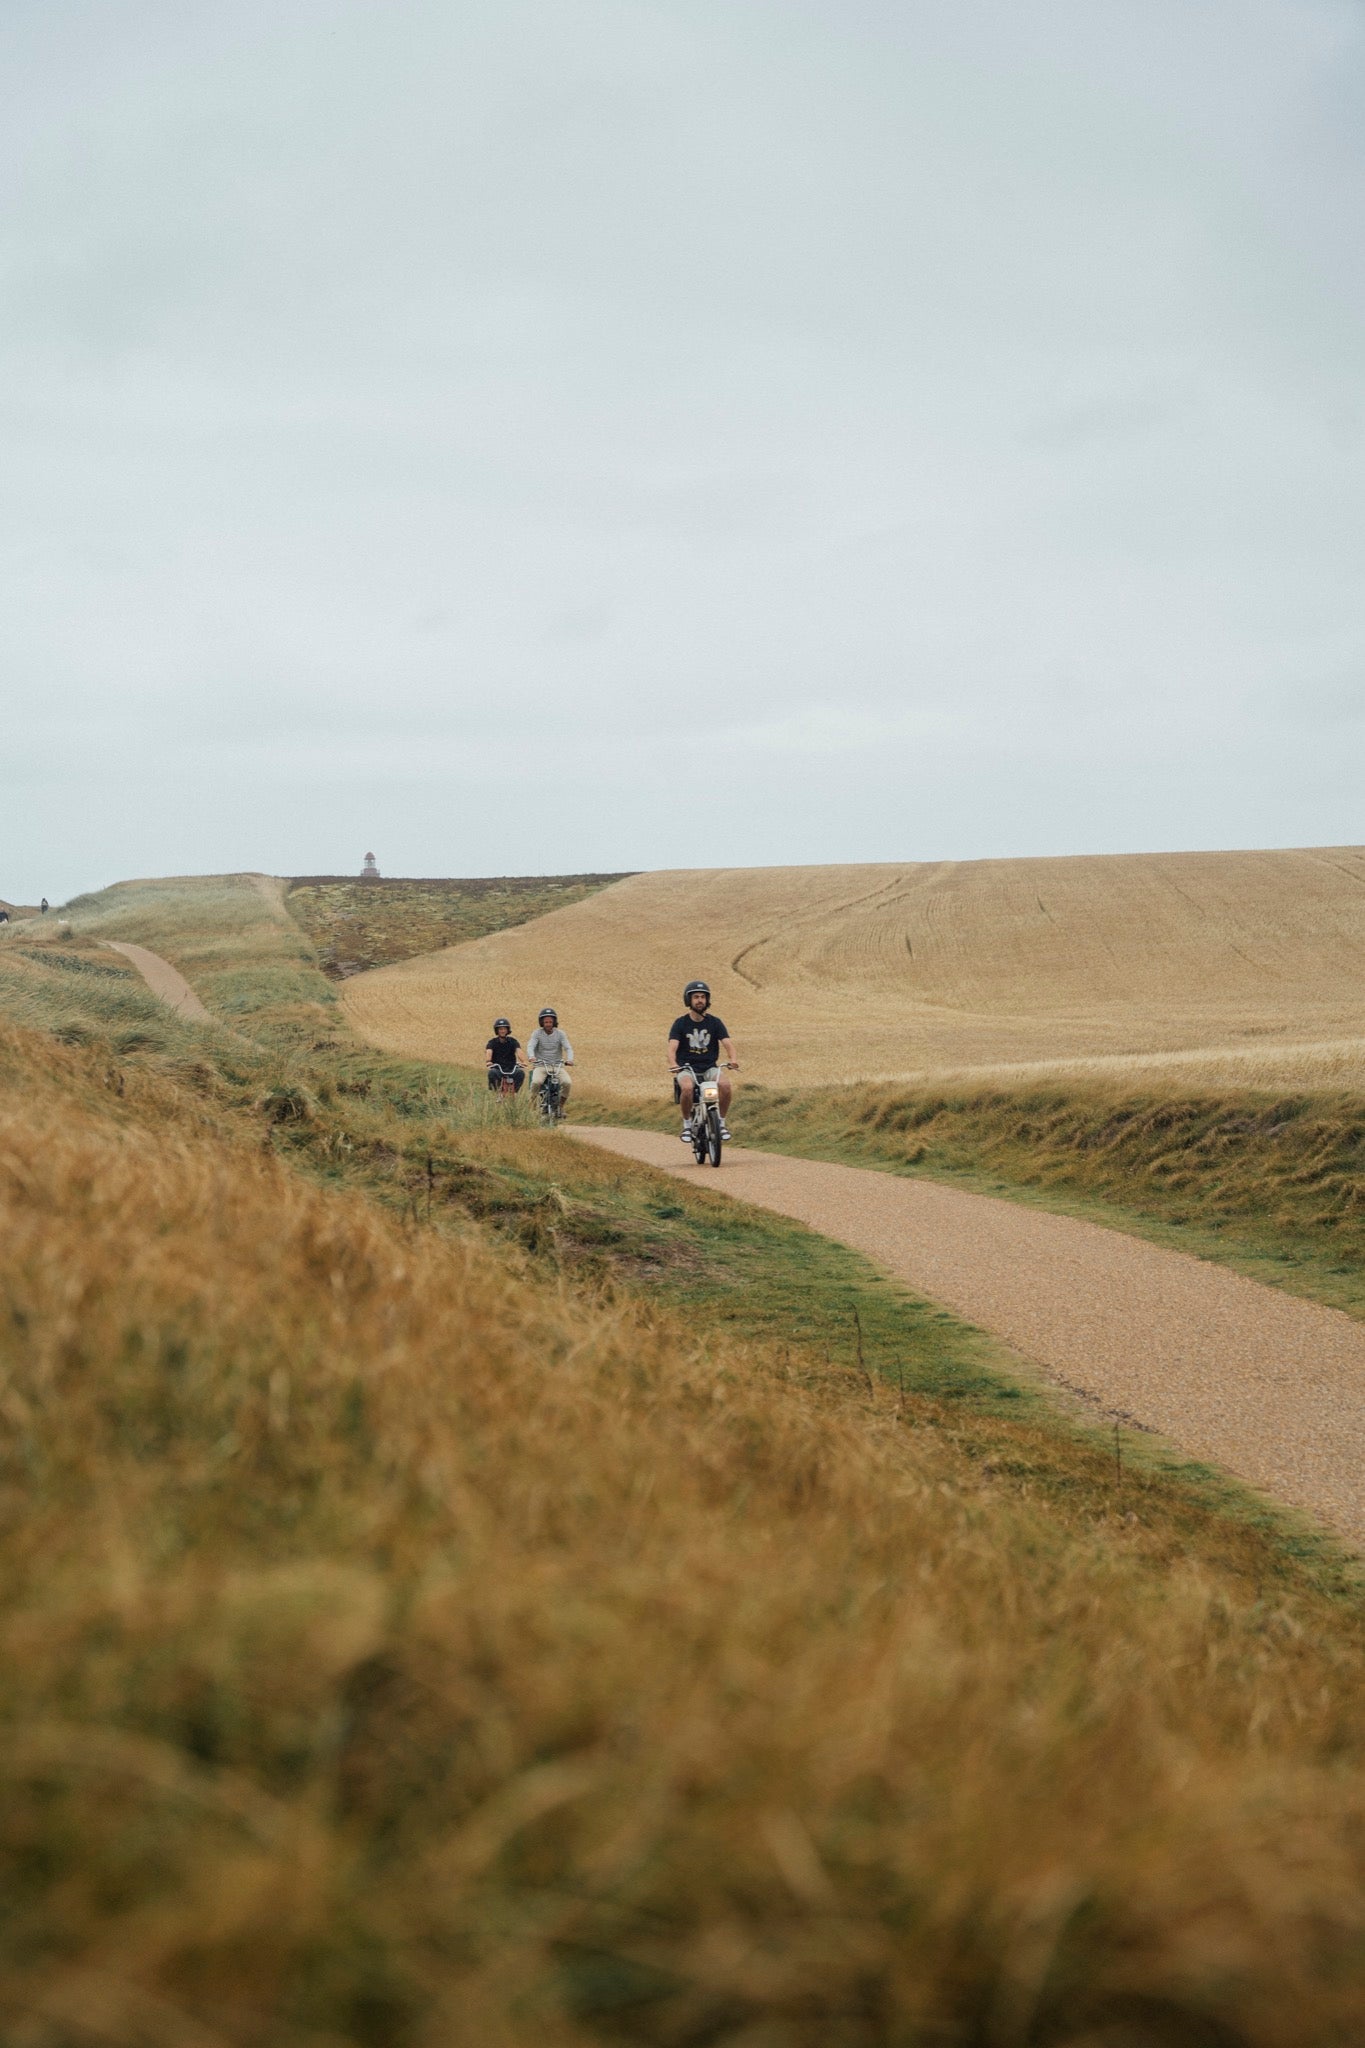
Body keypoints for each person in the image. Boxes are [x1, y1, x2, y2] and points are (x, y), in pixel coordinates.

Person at [668, 981, 737, 1144]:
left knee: (726, 1086)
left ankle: (721, 1124)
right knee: (686, 1088)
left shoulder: (715, 1022)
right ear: (688, 1000)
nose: (700, 1000)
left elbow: (728, 1043)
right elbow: (672, 1048)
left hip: (709, 1068)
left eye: (703, 997)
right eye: (696, 997)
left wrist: (733, 1059)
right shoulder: (680, 1023)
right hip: (686, 1068)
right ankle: (686, 1125)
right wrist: (673, 1063)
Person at [526, 1006, 574, 1116]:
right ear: (542, 1022)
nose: (548, 1024)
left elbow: (568, 1048)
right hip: (541, 1065)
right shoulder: (536, 1033)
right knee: (536, 1082)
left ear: (554, 1022)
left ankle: (560, 1106)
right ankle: (532, 1107)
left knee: (567, 1083)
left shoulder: (560, 1034)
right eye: (546, 1022)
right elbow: (531, 1046)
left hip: (557, 1065)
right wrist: (531, 1056)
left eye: (550, 1022)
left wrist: (570, 1059)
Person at [484, 1017, 524, 1092]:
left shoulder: (513, 1041)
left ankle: (514, 1092)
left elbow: (518, 1050)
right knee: (492, 1073)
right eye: (500, 1029)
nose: (502, 1031)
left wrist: (523, 1061)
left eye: (504, 1029)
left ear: (507, 1030)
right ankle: (496, 1092)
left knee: (520, 1073)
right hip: (498, 1069)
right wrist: (488, 1061)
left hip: (511, 1069)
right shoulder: (492, 1042)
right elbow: (489, 1051)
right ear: (497, 1031)